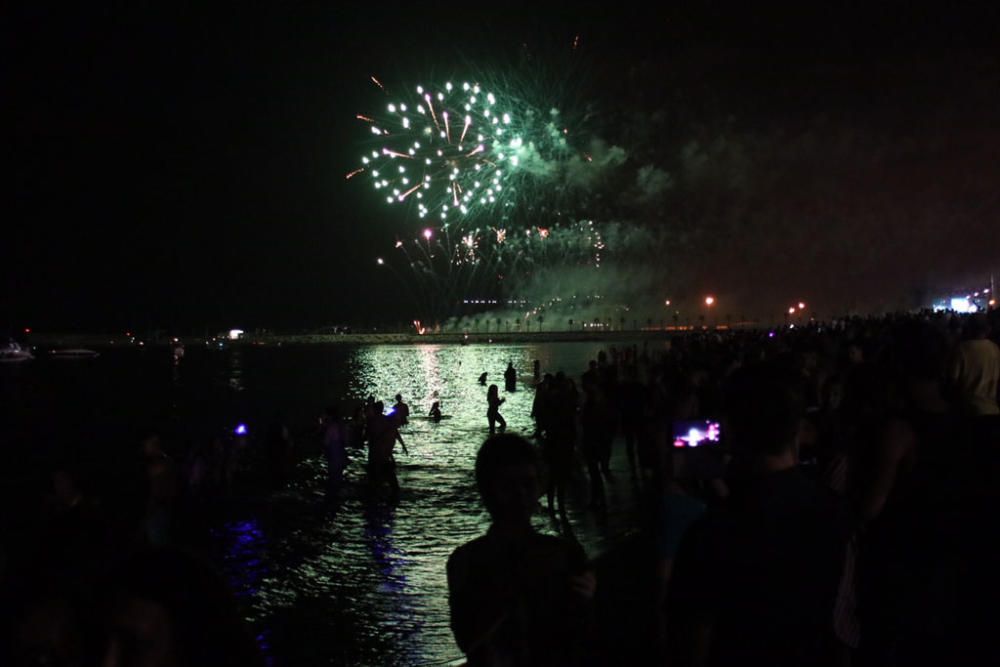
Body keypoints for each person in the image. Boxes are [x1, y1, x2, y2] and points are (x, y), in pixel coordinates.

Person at [666, 363, 848, 667]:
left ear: (732, 434)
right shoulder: (835, 510)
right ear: (798, 431)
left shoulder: (711, 533)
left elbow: (692, 639)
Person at [447, 435, 596, 666]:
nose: (520, 495)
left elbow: (469, 641)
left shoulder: (466, 561)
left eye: (527, 484)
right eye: (509, 486)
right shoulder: (561, 554)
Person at [948, 313, 1000, 415]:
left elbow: (952, 379)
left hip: (968, 410)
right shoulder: (995, 348)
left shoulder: (962, 349)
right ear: (988, 329)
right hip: (992, 409)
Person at [367, 402, 408, 502]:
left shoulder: (372, 421)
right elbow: (395, 432)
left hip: (376, 453)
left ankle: (376, 494)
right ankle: (391, 494)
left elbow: (368, 437)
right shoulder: (386, 420)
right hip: (384, 453)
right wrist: (403, 446)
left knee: (375, 476)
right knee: (389, 476)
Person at [322, 406, 348, 497]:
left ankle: (331, 497)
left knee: (332, 478)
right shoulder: (341, 426)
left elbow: (326, 442)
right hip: (341, 454)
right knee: (338, 477)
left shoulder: (331, 427)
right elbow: (346, 440)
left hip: (333, 455)